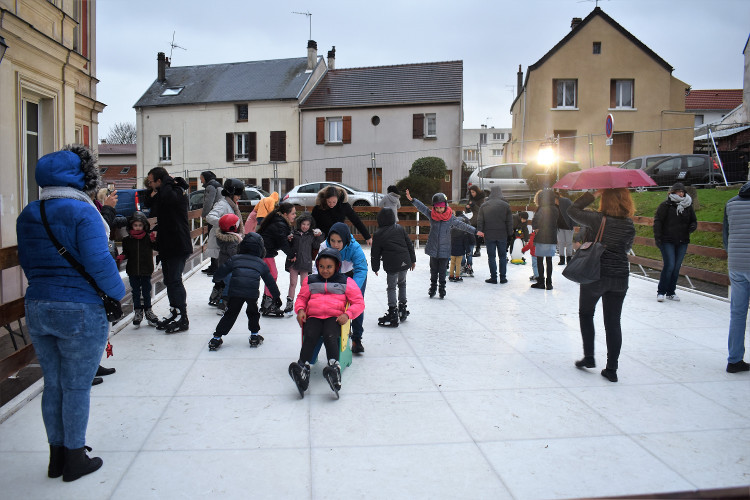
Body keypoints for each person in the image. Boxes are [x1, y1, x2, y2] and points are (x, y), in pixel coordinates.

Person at [16, 145, 126, 481]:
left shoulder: (29, 212)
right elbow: (98, 261)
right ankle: (75, 459)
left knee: (54, 385)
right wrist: (118, 292)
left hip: (38, 304)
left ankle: (57, 457)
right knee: (77, 387)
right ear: (83, 177)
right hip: (79, 308)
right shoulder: (83, 212)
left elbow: (27, 260)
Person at [567, 189, 636, 383]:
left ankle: (589, 357)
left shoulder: (598, 219)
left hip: (595, 274)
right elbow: (627, 246)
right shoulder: (629, 223)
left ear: (604, 200)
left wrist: (593, 193)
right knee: (613, 322)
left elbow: (573, 210)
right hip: (620, 276)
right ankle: (611, 368)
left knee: (586, 313)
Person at [288, 247, 365, 398]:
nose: (325, 270)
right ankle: (303, 367)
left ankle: (333, 367)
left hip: (334, 317)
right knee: (310, 335)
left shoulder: (346, 282)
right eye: (321, 267)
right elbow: (302, 298)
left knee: (330, 335)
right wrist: (301, 310)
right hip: (314, 316)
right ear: (317, 266)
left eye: (329, 267)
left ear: (336, 266)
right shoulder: (310, 280)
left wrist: (348, 314)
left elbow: (359, 303)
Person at [208, 233, 282, 350]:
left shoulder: (234, 259)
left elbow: (221, 271)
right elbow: (270, 281)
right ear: (260, 249)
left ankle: (216, 338)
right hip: (251, 294)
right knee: (253, 313)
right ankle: (254, 336)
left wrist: (216, 279)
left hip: (235, 292)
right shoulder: (261, 263)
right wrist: (276, 297)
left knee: (230, 314)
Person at [405, 190, 478, 299]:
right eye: (436, 208)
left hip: (445, 249)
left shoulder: (450, 218)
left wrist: (476, 231)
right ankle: (433, 287)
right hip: (433, 248)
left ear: (445, 206)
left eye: (441, 207)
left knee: (443, 271)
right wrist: (412, 200)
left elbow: (463, 226)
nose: (439, 210)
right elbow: (422, 208)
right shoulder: (432, 215)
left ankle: (442, 288)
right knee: (433, 270)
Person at [147, 167, 192, 333]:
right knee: (169, 281)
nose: (149, 184)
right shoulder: (166, 193)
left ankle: (183, 317)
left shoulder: (175, 192)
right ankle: (175, 312)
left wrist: (166, 181)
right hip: (168, 245)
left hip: (178, 245)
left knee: (174, 280)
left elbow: (167, 199)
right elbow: (152, 205)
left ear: (160, 181)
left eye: (151, 181)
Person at [324, 222, 368, 353]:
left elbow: (361, 269)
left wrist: (353, 289)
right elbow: (318, 268)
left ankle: (357, 338)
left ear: (345, 240)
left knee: (356, 304)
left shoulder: (355, 248)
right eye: (332, 241)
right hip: (336, 273)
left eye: (339, 241)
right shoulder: (324, 246)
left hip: (355, 273)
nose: (335, 244)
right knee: (336, 303)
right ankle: (338, 334)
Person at [371, 206, 417, 326]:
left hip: (391, 264)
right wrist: (413, 260)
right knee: (402, 284)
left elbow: (375, 253)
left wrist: (375, 268)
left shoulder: (378, 233)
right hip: (404, 262)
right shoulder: (399, 228)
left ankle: (393, 313)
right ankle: (402, 309)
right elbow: (409, 244)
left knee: (391, 287)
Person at [722, 180, 750, 373]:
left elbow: (726, 235)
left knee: (738, 314)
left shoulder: (731, 203)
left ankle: (734, 359)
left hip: (736, 265)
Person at [653, 182, 697, 302]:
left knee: (677, 267)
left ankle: (671, 292)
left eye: (682, 192)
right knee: (670, 265)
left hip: (682, 240)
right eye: (678, 191)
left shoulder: (688, 205)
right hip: (667, 240)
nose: (681, 194)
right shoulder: (665, 205)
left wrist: (692, 226)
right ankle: (661, 291)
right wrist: (658, 238)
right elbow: (658, 222)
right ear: (672, 192)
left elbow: (693, 220)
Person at [205, 179, 245, 308]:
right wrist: (224, 224)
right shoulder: (223, 204)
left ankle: (218, 296)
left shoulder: (232, 204)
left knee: (225, 272)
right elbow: (209, 217)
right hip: (221, 243)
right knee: (224, 273)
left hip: (228, 243)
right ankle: (220, 297)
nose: (239, 198)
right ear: (231, 193)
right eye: (238, 195)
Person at [117, 211, 159, 328]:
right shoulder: (127, 240)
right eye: (135, 225)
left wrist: (154, 240)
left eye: (140, 225)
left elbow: (156, 247)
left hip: (146, 268)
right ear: (131, 226)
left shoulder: (147, 238)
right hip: (133, 269)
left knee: (146, 291)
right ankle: (138, 312)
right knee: (135, 291)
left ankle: (148, 311)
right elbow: (127, 253)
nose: (138, 228)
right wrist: (122, 256)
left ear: (144, 226)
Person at [257, 202, 297, 316]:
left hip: (265, 251)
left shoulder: (278, 221)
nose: (294, 216)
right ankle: (268, 305)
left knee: (271, 275)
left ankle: (266, 303)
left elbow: (280, 239)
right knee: (272, 276)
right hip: (265, 252)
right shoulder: (280, 224)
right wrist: (291, 254)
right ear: (285, 214)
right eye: (293, 213)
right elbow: (282, 242)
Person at [285, 212, 325, 315]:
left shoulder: (311, 235)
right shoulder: (294, 234)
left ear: (310, 225)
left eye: (307, 224)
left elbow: (317, 245)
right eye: (303, 224)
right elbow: (288, 246)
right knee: (292, 283)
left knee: (304, 285)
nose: (305, 226)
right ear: (299, 224)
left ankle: (304, 304)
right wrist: (288, 239)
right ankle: (289, 305)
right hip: (294, 262)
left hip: (305, 263)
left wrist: (320, 236)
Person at [477, 186, 513, 284]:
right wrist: (510, 234)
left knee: (491, 257)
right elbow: (509, 222)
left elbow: (480, 221)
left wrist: (480, 231)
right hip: (502, 234)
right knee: (502, 256)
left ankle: (493, 277)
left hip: (489, 234)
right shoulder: (506, 205)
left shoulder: (484, 205)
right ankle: (503, 277)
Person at [211, 213, 245, 313]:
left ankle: (217, 297)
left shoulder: (225, 238)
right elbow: (234, 255)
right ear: (233, 227)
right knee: (230, 284)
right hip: (229, 269)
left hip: (224, 266)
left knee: (227, 284)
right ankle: (223, 302)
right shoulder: (232, 242)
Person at [530, 188, 560, 290]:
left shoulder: (542, 208)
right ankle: (549, 283)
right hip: (551, 237)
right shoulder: (555, 208)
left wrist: (536, 227)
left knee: (540, 260)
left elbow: (536, 219)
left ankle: (541, 282)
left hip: (542, 236)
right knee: (549, 260)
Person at [200, 171, 223, 274]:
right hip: (219, 215)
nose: (200, 180)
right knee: (216, 241)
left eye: (201, 178)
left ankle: (214, 267)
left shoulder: (210, 186)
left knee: (213, 241)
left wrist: (204, 214)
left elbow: (208, 202)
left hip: (213, 217)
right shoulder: (218, 184)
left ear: (205, 178)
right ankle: (215, 265)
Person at [449, 213, 475, 282]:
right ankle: (458, 275)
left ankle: (451, 275)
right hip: (460, 251)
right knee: (458, 264)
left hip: (453, 251)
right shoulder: (464, 231)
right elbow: (465, 243)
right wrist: (468, 250)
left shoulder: (451, 230)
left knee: (452, 264)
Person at [465, 185, 485, 257]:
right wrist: (467, 208)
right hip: (471, 219)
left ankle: (478, 249)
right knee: (470, 235)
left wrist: (473, 205)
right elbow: (468, 210)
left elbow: (481, 210)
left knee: (477, 235)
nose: (472, 194)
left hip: (479, 219)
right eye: (471, 192)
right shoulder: (471, 199)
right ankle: (469, 249)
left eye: (473, 192)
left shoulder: (481, 199)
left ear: (477, 191)